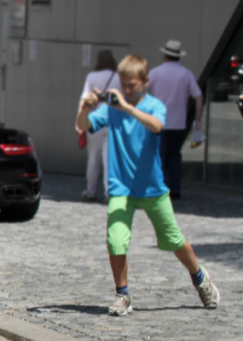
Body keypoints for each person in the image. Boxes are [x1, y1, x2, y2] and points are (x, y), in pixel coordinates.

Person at [75, 54, 219, 316]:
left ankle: (199, 277)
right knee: (115, 240)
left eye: (132, 84)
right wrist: (87, 106)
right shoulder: (111, 108)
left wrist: (127, 108)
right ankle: (123, 295)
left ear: (145, 81)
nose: (127, 89)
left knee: (174, 239)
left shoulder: (154, 105)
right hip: (121, 188)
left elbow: (157, 126)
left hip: (152, 188)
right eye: (124, 84)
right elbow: (83, 125)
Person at [145, 39, 203, 199]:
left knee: (159, 155)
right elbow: (198, 96)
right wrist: (197, 120)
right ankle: (175, 188)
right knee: (175, 155)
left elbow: (141, 91)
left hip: (159, 121)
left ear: (165, 55)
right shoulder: (186, 74)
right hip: (178, 122)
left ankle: (159, 188)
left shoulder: (156, 72)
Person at [77, 49, 118, 203]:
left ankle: (91, 190)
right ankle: (109, 192)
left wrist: (79, 122)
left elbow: (84, 99)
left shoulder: (91, 77)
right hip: (113, 120)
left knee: (93, 158)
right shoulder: (118, 77)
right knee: (109, 159)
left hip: (94, 120)